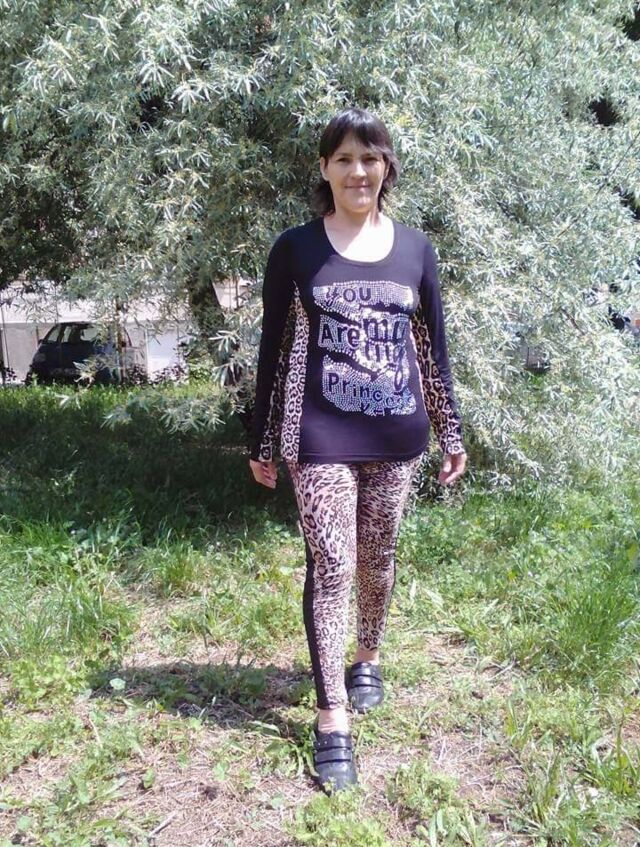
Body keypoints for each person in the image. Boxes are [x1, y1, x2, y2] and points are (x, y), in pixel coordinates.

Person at [248, 107, 467, 793]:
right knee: (333, 563)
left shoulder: (416, 250)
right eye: (343, 158)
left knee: (378, 556)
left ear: (386, 167)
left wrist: (451, 429)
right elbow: (274, 347)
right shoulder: (296, 249)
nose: (357, 171)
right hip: (317, 432)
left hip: (396, 434)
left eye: (369, 158)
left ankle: (366, 655)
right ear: (325, 168)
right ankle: (331, 715)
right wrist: (261, 436)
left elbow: (431, 347)